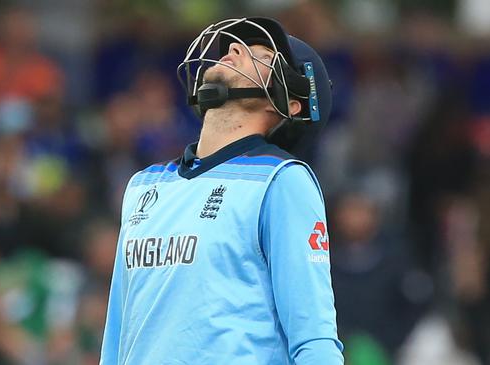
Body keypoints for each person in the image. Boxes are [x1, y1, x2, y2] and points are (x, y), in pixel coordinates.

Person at [100, 17, 343, 364]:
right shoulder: (143, 185)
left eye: (260, 53)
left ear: (291, 102)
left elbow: (315, 339)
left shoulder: (283, 181)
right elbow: (116, 339)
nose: (232, 49)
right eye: (236, 46)